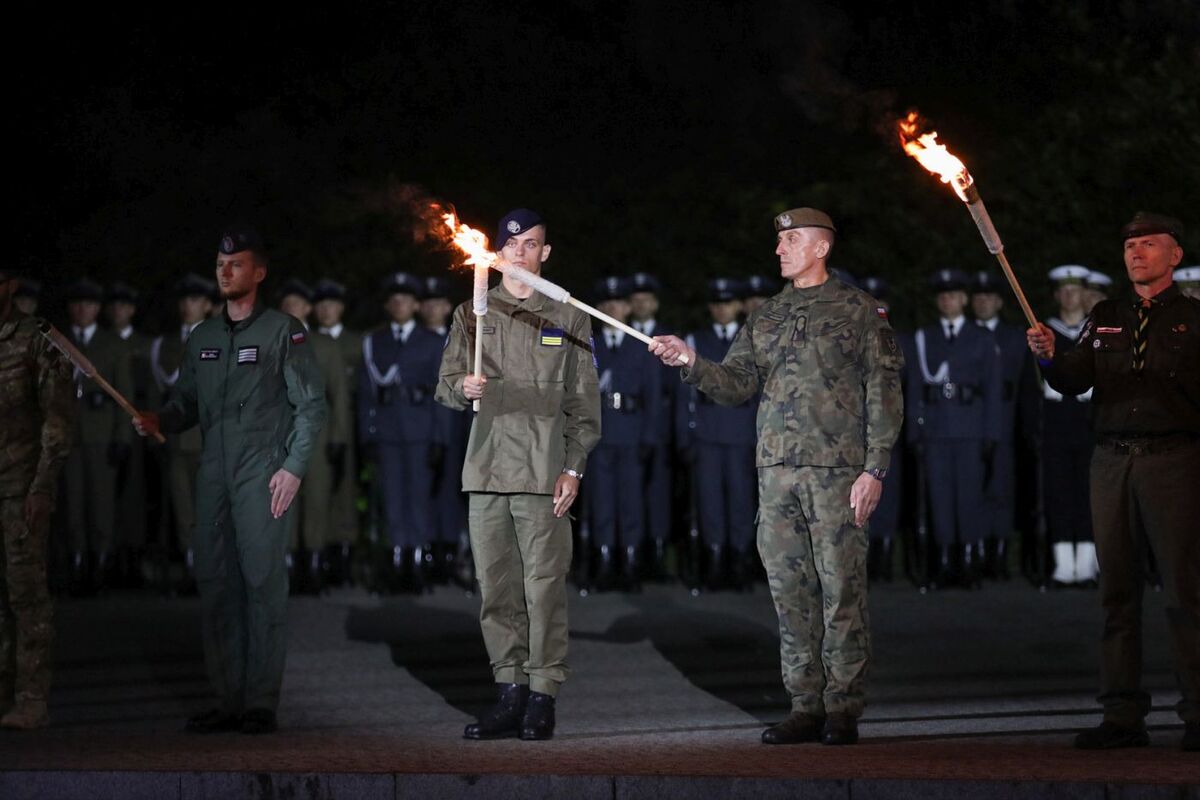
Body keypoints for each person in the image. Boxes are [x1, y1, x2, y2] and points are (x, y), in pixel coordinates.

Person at [649, 207, 904, 746]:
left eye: (791, 240)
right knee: (790, 594)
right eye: (780, 240)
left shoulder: (859, 310)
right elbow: (735, 384)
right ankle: (804, 705)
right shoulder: (767, 315)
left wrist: (875, 468)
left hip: (838, 474)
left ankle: (842, 707)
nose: (779, 249)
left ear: (821, 247)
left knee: (841, 591)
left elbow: (884, 393)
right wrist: (690, 362)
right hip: (776, 475)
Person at [133, 227, 326, 735]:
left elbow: (311, 406)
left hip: (262, 473)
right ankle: (227, 698)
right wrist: (160, 419)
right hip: (213, 474)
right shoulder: (204, 337)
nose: (225, 272)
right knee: (216, 584)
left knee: (261, 583)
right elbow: (186, 404)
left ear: (258, 272)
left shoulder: (284, 331)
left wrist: (293, 467)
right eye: (220, 264)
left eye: (236, 264)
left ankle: (260, 700)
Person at [1026, 211, 1199, 752]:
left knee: (1185, 591)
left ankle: (1198, 713)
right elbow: (1073, 380)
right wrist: (1050, 358)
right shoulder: (1106, 315)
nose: (1136, 253)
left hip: (1174, 460)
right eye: (1129, 246)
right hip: (1111, 462)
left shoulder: (1194, 318)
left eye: (1149, 244)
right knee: (1116, 592)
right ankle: (1122, 715)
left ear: (1175, 256)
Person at [436, 208, 600, 741]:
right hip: (486, 470)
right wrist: (462, 387)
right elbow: (445, 383)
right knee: (496, 590)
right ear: (497, 252)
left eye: (531, 244)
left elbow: (585, 405)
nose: (520, 253)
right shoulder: (473, 312)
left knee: (544, 589)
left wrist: (573, 467)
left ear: (544, 253)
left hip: (543, 472)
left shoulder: (568, 314)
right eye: (512, 245)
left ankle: (542, 694)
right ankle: (509, 691)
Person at [0, 266, 74, 729]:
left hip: (20, 487)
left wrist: (43, 484)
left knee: (25, 595)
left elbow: (58, 420)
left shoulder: (35, 340)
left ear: (9, 286)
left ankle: (30, 698)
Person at [907, 269, 1001, 589]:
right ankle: (944, 562)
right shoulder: (925, 337)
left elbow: (992, 389)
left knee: (969, 498)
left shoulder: (981, 337)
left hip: (970, 429)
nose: (947, 300)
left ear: (964, 300)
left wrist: (991, 433)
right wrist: (915, 431)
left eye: (953, 295)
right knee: (939, 498)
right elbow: (916, 389)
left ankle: (969, 562)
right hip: (935, 430)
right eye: (943, 295)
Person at [358, 272, 444, 592]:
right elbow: (366, 394)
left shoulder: (432, 341)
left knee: (418, 500)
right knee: (392, 500)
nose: (399, 304)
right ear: (386, 305)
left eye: (405, 299)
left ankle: (417, 562)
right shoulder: (374, 341)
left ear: (416, 305)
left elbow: (440, 395)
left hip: (421, 432)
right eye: (393, 300)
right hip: (387, 432)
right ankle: (395, 561)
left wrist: (439, 438)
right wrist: (367, 435)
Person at [676, 278, 757, 591]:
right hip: (707, 434)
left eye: (729, 303)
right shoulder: (696, 340)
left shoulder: (751, 338)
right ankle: (714, 563)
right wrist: (685, 435)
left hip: (741, 432)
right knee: (709, 504)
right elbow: (685, 394)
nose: (723, 309)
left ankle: (740, 565)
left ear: (739, 306)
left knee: (741, 502)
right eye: (717, 303)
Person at [276, 279, 350, 594]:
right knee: (283, 501)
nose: (291, 308)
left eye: (297, 303)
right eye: (286, 304)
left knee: (318, 500)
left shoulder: (324, 344)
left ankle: (315, 566)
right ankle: (288, 567)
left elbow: (339, 395)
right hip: (281, 436)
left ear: (308, 308)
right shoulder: (270, 343)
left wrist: (339, 438)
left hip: (317, 436)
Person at [62, 277, 135, 594]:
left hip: (101, 436)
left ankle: (101, 563)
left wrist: (122, 437)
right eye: (78, 304)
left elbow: (124, 395)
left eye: (89, 304)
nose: (83, 309)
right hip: (67, 437)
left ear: (97, 309)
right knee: (73, 504)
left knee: (102, 504)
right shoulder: (59, 342)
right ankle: (77, 562)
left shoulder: (112, 344)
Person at [587, 276, 661, 591]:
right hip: (599, 433)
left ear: (629, 308)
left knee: (631, 502)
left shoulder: (641, 344)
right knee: (601, 501)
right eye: (606, 302)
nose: (612, 308)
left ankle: (631, 564)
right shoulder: (589, 344)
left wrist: (649, 436)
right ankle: (604, 563)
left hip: (632, 432)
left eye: (618, 302)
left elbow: (653, 396)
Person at [149, 273, 216, 591]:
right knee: (182, 507)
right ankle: (191, 563)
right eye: (184, 300)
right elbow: (159, 393)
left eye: (195, 300)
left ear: (207, 305)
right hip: (176, 440)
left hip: (208, 438)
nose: (188, 306)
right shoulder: (164, 344)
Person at [970, 271, 1032, 579]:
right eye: (978, 297)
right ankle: (977, 551)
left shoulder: (1015, 338)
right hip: (971, 423)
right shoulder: (965, 335)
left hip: (1006, 423)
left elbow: (1024, 386)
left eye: (989, 297)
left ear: (999, 303)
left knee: (1002, 490)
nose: (983, 302)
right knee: (974, 490)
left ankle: (1000, 554)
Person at [1038, 265, 1097, 588]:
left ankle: (1086, 567)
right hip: (1056, 424)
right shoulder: (1044, 332)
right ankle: (1063, 566)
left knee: (1088, 494)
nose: (1070, 296)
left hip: (1090, 424)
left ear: (1085, 294)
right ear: (1056, 295)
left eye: (1075, 291)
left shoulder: (1097, 332)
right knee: (1059, 493)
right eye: (1064, 291)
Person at [312, 278, 362, 582]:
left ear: (341, 307)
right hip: (319, 429)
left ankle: (345, 554)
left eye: (331, 304)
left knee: (345, 490)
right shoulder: (308, 342)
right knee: (319, 493)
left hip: (350, 426)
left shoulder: (356, 343)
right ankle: (322, 551)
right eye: (321, 304)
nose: (326, 310)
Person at [423, 275, 471, 584]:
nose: (432, 309)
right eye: (428, 303)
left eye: (438, 303)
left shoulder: (462, 339)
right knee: (430, 492)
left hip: (458, 425)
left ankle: (457, 554)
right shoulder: (416, 341)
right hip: (425, 428)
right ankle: (432, 554)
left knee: (458, 492)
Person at [106, 282, 154, 586]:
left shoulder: (145, 344)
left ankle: (136, 558)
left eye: (124, 305)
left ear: (132, 310)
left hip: (140, 425)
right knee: (106, 493)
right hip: (109, 424)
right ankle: (111, 555)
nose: (118, 311)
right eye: (113, 305)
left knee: (137, 494)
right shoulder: (102, 343)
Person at [628, 272, 673, 577]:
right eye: (636, 299)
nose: (641, 304)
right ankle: (634, 553)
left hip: (662, 429)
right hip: (630, 427)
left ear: (655, 303)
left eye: (647, 299)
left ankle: (658, 554)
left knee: (660, 494)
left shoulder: (669, 337)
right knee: (629, 492)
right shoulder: (622, 334)